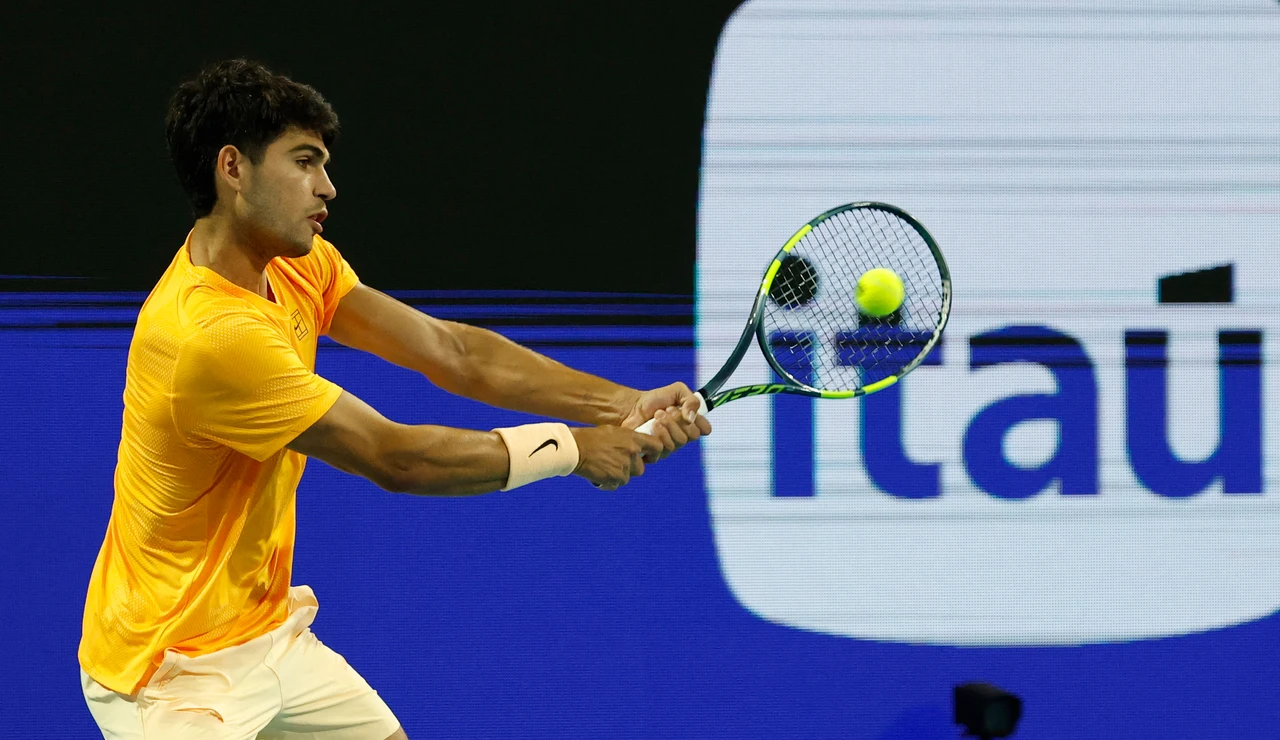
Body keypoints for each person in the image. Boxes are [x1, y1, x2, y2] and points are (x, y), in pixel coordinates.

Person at [78, 58, 710, 740]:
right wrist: (571, 449)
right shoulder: (210, 336)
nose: (328, 187)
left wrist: (619, 403)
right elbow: (392, 456)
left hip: (263, 632)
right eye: (304, 162)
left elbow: (453, 353)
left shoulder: (297, 263)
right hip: (170, 672)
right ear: (233, 169)